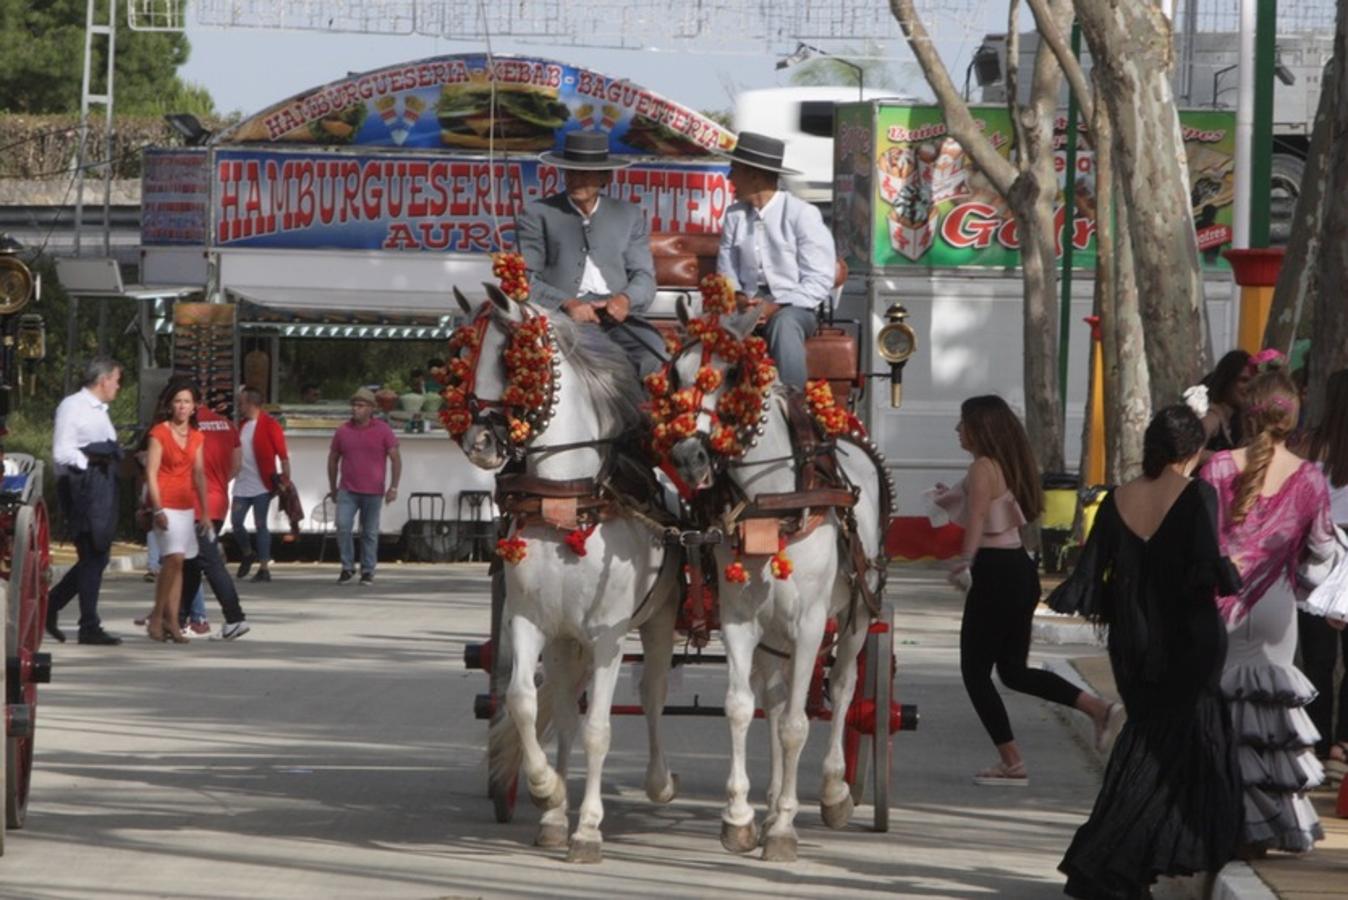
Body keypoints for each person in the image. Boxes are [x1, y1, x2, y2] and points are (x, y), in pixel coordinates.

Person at [1050, 405, 1244, 899]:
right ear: (1193, 451)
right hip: (1190, 641)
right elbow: (1205, 569)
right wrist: (1232, 567)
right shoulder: (1198, 495)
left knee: (1150, 742)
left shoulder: (1118, 499)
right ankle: (1120, 853)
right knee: (1190, 745)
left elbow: (1091, 575)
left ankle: (1141, 855)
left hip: (1134, 645)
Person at [930, 395, 1119, 785]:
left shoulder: (983, 466)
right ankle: (1098, 708)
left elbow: (980, 516)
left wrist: (965, 561)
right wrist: (948, 496)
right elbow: (982, 506)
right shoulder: (1006, 463)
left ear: (980, 428)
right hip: (1019, 570)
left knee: (975, 672)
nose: (957, 431)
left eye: (962, 423)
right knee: (1013, 671)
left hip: (996, 573)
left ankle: (1012, 760)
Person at [1200, 364, 1346, 855]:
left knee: (1220, 714)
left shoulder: (1217, 468)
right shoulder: (1308, 478)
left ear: (1248, 411)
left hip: (1220, 603)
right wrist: (1301, 580)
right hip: (1276, 605)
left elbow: (1198, 539)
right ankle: (1263, 828)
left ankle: (1217, 821)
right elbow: (1323, 550)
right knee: (1268, 723)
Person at [516, 130, 666, 377]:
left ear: (605, 177)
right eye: (571, 172)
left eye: (585, 174)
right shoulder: (537, 214)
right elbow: (525, 280)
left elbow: (644, 276)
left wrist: (624, 300)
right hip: (561, 321)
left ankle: (641, 416)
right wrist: (568, 303)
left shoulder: (628, 215)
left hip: (616, 319)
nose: (576, 180)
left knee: (654, 354)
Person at [715, 131, 837, 389]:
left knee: (784, 324)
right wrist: (739, 298)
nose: (729, 178)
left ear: (754, 175)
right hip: (749, 303)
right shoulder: (734, 215)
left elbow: (819, 280)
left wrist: (776, 306)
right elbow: (726, 271)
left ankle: (793, 401)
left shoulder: (802, 214)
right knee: (712, 328)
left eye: (734, 170)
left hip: (795, 305)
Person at [45, 357, 124, 646]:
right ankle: (88, 624)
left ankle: (52, 607)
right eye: (116, 379)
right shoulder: (73, 406)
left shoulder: (100, 411)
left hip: (102, 487)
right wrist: (90, 462)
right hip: (83, 488)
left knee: (96, 556)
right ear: (103, 380)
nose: (118, 386)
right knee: (93, 554)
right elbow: (62, 451)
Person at [1298, 368, 1348, 773]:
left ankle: (1315, 741)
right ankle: (1343, 745)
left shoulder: (1307, 447)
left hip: (1315, 562)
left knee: (1316, 662)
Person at [144, 378, 208, 644]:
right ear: (170, 405)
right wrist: (157, 507)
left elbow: (200, 474)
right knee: (174, 559)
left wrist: (205, 511)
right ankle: (158, 617)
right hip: (165, 502)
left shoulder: (197, 436)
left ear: (195, 407)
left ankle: (172, 619)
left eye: (187, 402)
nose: (182, 407)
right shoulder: (159, 432)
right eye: (178, 401)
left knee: (178, 565)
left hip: (186, 504)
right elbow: (151, 471)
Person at [184, 404, 250, 640]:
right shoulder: (226, 425)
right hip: (219, 502)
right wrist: (219, 482)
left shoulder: (187, 426)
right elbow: (237, 465)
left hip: (195, 503)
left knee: (209, 562)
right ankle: (179, 618)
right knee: (192, 564)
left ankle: (235, 617)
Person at [327, 387, 401, 585]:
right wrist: (333, 487)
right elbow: (333, 459)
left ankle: (368, 570)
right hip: (347, 489)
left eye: (360, 406)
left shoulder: (383, 430)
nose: (355, 409)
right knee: (342, 526)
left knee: (369, 532)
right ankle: (347, 567)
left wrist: (393, 487)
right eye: (354, 405)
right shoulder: (343, 431)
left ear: (371, 409)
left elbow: (395, 458)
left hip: (373, 490)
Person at [232, 387, 290, 583]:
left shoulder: (270, 425)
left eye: (242, 402)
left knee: (260, 524)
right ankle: (248, 552)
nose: (240, 406)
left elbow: (283, 456)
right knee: (236, 522)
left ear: (250, 404)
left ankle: (264, 566)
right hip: (242, 482)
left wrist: (285, 480)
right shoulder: (241, 425)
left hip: (262, 484)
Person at [1200, 348, 1252, 453]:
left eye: (1253, 381)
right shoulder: (1211, 417)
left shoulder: (1238, 419)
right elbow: (1189, 454)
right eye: (1244, 380)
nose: (1249, 387)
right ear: (1227, 380)